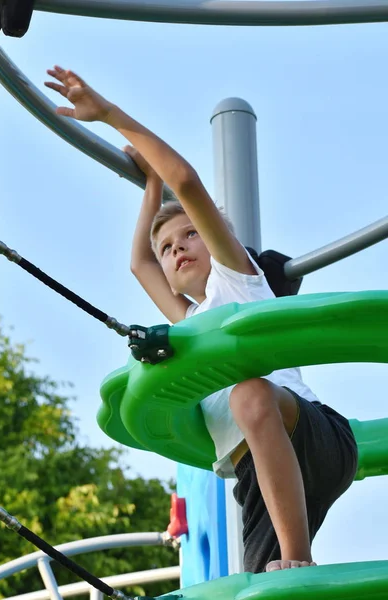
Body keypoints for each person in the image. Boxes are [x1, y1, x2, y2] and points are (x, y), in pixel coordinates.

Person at [45, 66, 358, 574]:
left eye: (190, 236)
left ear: (215, 240)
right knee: (260, 584)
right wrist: (150, 189)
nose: (177, 249)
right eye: (168, 248)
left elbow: (186, 182)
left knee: (248, 393)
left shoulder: (238, 281)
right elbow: (138, 265)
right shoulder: (187, 319)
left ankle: (299, 557)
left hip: (312, 435)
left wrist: (110, 116)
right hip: (256, 472)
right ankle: (290, 562)